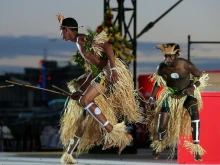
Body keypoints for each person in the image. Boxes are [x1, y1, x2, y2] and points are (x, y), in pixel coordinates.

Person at [56, 14, 142, 164]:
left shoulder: (81, 40)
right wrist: (80, 89)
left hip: (109, 72)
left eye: (61, 30)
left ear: (66, 29)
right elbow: (94, 70)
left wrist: (114, 69)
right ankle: (69, 154)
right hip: (103, 73)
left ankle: (114, 133)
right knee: (82, 117)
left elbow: (108, 46)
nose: (61, 34)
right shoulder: (79, 43)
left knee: (86, 100)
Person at [146, 43, 209, 161]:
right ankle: (159, 145)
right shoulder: (162, 67)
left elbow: (201, 77)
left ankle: (196, 148)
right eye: (166, 56)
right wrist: (151, 98)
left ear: (177, 55)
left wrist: (193, 88)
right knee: (161, 124)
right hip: (170, 95)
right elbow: (157, 83)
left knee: (195, 113)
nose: (167, 59)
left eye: (170, 56)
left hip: (186, 93)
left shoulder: (186, 65)